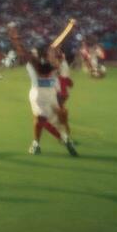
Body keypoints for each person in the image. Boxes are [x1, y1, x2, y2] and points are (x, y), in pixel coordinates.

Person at [8, 24, 77, 156]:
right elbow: (58, 43)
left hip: (38, 94)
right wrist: (69, 28)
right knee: (54, 119)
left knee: (41, 119)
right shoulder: (53, 62)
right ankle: (62, 138)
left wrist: (14, 38)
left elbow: (21, 50)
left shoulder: (34, 61)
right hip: (51, 93)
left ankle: (41, 143)